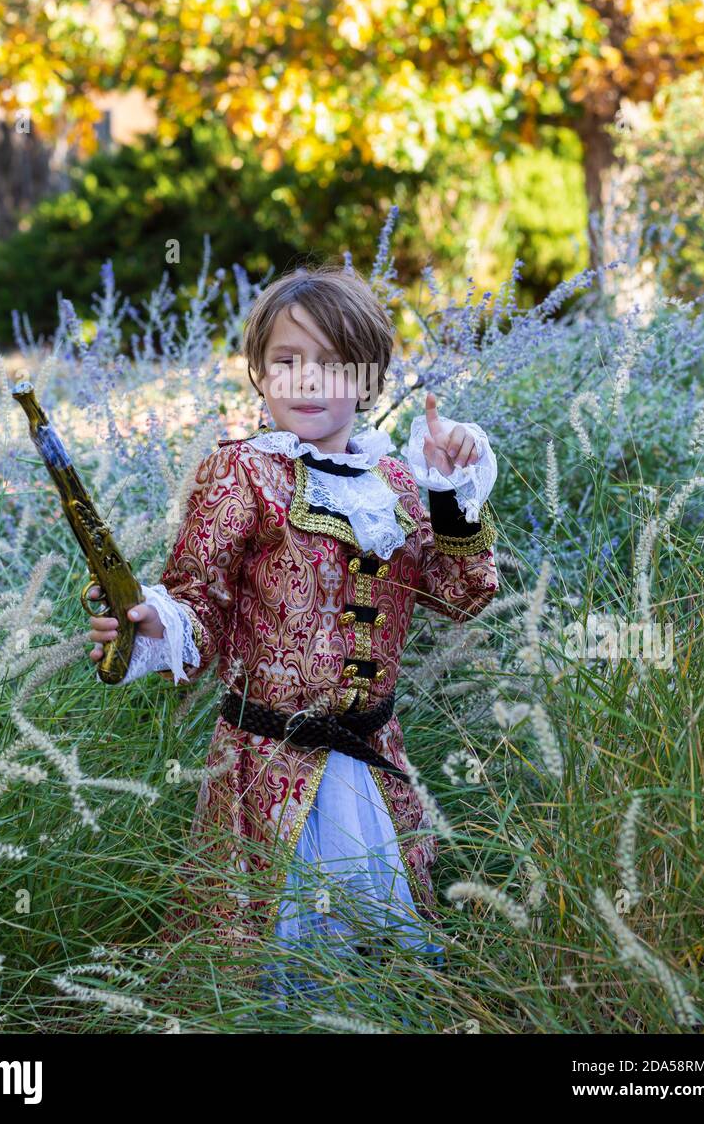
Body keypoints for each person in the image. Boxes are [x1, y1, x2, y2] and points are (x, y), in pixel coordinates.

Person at [87, 262, 499, 1002]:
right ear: (259, 373)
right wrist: (156, 622)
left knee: (377, 969)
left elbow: (461, 596)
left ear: (368, 377)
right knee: (265, 965)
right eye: (286, 360)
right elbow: (199, 601)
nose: (307, 380)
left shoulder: (397, 483)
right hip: (265, 766)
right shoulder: (244, 473)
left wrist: (452, 499)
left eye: (332, 363)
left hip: (371, 764)